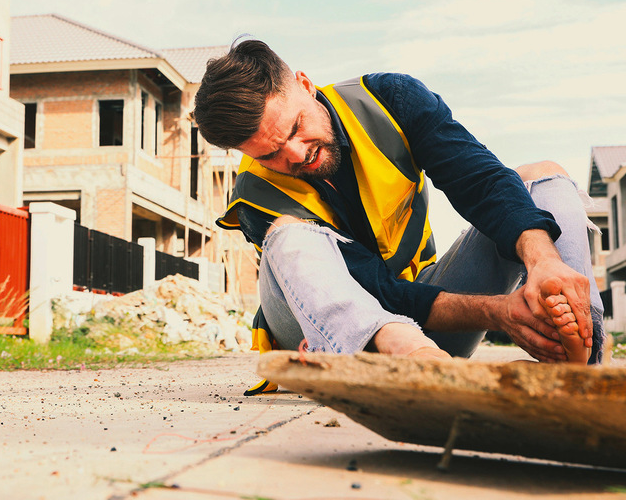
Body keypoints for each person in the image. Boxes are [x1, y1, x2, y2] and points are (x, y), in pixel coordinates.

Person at [192, 39, 604, 389]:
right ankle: (420, 363)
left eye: (297, 127)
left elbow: (479, 180)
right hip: (314, 329)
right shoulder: (254, 195)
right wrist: (498, 312)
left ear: (305, 84)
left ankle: (578, 361)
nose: (297, 154)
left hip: (426, 317)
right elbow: (375, 290)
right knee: (291, 234)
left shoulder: (391, 101)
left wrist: (543, 260)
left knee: (544, 177)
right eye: (271, 154)